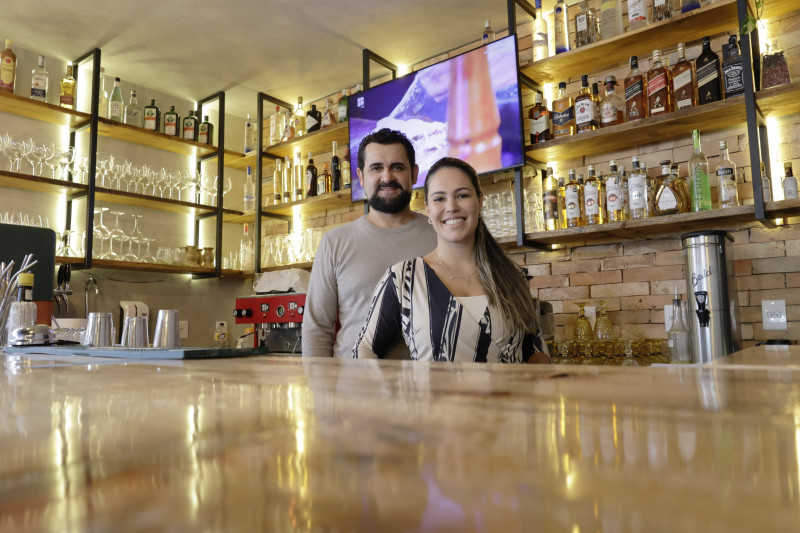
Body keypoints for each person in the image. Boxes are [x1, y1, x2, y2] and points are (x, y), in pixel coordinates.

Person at [354, 157, 549, 363]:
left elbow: (533, 343)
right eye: (439, 199)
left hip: (510, 386)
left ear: (479, 202)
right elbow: (365, 347)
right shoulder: (403, 277)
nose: (451, 206)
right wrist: (388, 382)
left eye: (462, 195)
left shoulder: (511, 274)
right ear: (428, 209)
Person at [302, 129, 437, 358]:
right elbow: (316, 329)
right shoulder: (334, 243)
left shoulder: (441, 236)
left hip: (427, 379)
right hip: (351, 379)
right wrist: (318, 380)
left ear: (414, 173)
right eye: (376, 168)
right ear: (361, 176)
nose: (387, 177)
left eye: (397, 167)